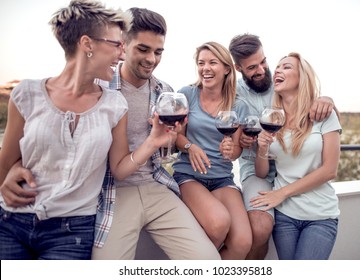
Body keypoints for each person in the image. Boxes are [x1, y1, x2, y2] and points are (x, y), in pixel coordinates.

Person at [0, 0, 172, 260]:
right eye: (117, 44)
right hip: (12, 221)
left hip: (72, 231)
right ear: (87, 44)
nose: (122, 54)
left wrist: (153, 141)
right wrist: (9, 174)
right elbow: (6, 162)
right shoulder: (27, 94)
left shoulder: (114, 104)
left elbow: (119, 167)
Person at [91, 8, 220, 260]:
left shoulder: (165, 91)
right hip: (113, 191)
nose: (151, 58)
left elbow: (165, 152)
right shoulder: (100, 88)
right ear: (124, 44)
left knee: (209, 262)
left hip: (156, 185)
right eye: (143, 49)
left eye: (158, 52)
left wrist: (173, 140)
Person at [228, 33, 337, 259]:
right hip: (259, 168)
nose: (263, 70)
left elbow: (310, 100)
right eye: (252, 68)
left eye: (264, 62)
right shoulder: (235, 92)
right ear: (239, 68)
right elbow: (222, 116)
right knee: (259, 228)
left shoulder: (283, 88)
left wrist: (327, 98)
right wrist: (246, 141)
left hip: (294, 184)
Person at [254, 52, 341, 259]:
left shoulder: (323, 115)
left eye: (286, 67)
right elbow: (261, 172)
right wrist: (262, 148)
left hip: (320, 216)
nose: (277, 70)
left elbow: (330, 170)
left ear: (302, 77)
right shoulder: (271, 118)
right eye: (277, 67)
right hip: (284, 216)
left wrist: (281, 193)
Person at [173, 42, 252, 260]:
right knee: (218, 224)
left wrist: (230, 150)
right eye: (201, 63)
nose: (205, 68)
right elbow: (175, 135)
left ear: (226, 68)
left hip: (222, 178)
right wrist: (190, 146)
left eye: (212, 62)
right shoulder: (186, 94)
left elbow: (235, 151)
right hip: (189, 176)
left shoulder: (239, 105)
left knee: (243, 242)